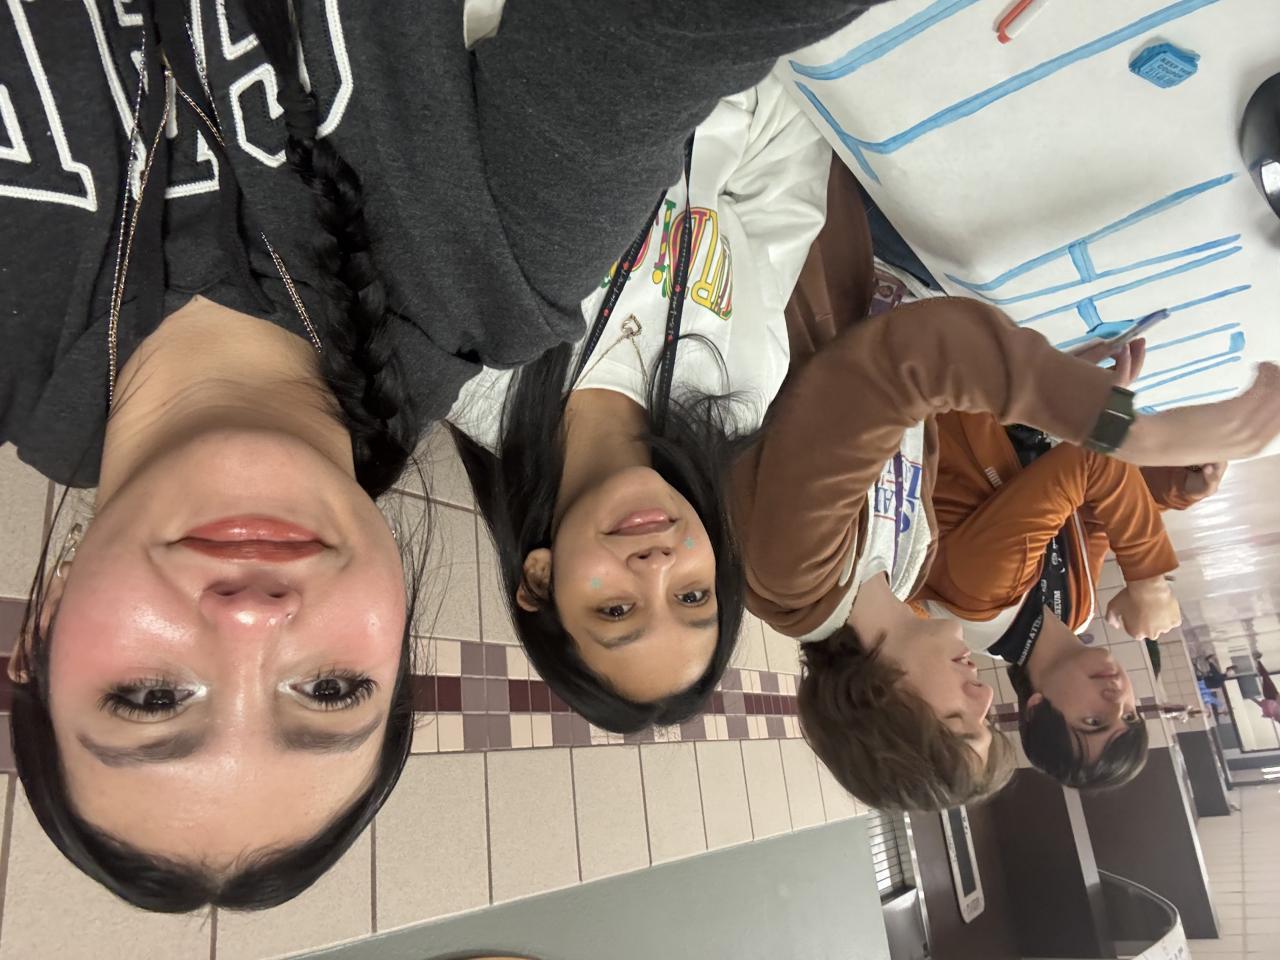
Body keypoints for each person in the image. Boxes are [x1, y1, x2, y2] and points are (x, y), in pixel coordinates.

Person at [1, 0, 885, 911]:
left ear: (39, 635)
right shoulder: (491, 277)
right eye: (332, 689)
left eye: (150, 700)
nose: (253, 621)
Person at [732, 161, 1280, 813]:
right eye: (990, 718)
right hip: (861, 254)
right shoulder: (898, 572)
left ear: (879, 709)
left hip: (799, 225)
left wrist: (1125, 431)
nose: (986, 697)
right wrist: (1158, 467)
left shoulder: (794, 575)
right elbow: (937, 418)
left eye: (960, 721)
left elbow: (895, 370)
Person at [452, 75, 832, 731]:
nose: (656, 568)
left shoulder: (469, 372)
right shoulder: (741, 391)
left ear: (540, 578)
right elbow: (782, 181)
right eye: (692, 595)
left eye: (617, 610)